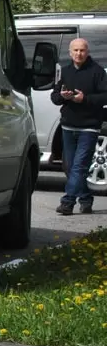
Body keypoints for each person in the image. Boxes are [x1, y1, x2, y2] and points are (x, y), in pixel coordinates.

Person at [53, 37, 107, 216]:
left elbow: (105, 96)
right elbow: (54, 97)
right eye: (75, 50)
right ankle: (85, 198)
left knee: (79, 166)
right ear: (70, 52)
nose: (79, 53)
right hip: (68, 126)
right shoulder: (65, 72)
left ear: (87, 52)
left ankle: (67, 202)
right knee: (70, 168)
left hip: (89, 127)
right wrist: (63, 96)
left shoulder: (97, 72)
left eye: (82, 50)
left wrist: (85, 99)